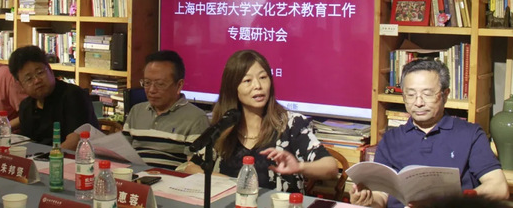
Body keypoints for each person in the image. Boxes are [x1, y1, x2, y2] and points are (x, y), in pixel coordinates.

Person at [350, 59, 510, 208]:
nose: (418, 103)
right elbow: (382, 196)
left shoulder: (470, 134)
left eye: (427, 94)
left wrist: (454, 201)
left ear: (445, 95)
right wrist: (368, 200)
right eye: (410, 95)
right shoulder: (391, 139)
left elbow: (498, 187)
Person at [184, 49, 338, 193]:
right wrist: (233, 184)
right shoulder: (225, 125)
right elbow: (191, 167)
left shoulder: (291, 123)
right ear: (233, 88)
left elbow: (330, 167)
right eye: (247, 81)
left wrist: (299, 166)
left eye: (263, 78)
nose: (258, 86)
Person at [122, 50, 210, 169]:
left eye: (160, 84)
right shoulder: (136, 111)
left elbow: (195, 168)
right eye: (147, 83)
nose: (151, 90)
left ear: (179, 85)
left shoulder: (196, 119)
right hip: (134, 176)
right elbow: (123, 154)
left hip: (171, 178)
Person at [8, 45, 99, 151]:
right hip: (39, 158)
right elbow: (27, 144)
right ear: (21, 85)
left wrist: (49, 157)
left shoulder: (74, 95)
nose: (37, 80)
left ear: (50, 70)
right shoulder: (26, 106)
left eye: (40, 73)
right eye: (29, 79)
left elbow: (75, 142)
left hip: (72, 158)